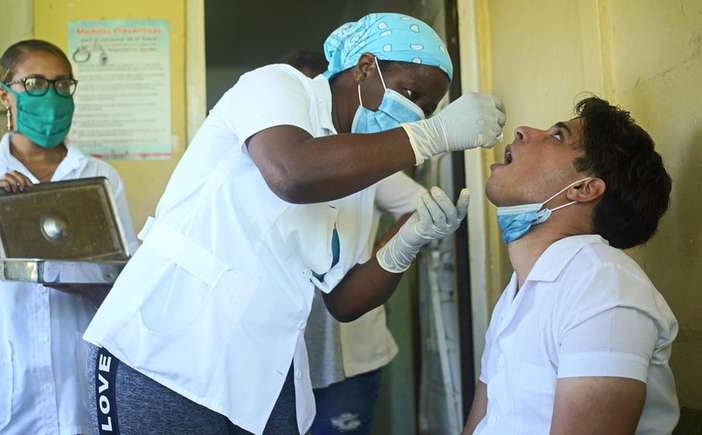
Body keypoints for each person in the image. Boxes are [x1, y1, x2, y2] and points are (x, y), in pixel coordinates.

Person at [83, 13, 505, 435]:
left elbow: (344, 300)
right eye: (410, 94)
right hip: (163, 356)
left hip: (259, 378)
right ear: (363, 67)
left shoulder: (359, 166)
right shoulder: (276, 85)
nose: (416, 114)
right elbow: (292, 173)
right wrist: (433, 135)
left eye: (428, 110)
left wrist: (404, 241)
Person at [0, 39, 137, 435]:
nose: (52, 96)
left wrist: (81, 279)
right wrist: (0, 222)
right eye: (36, 84)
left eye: (62, 85)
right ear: (4, 96)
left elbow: (124, 286)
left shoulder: (100, 179)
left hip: (76, 376)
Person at [462, 97, 678, 435]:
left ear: (583, 188)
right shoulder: (519, 291)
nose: (521, 131)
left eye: (557, 136)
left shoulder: (604, 287)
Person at [280, 48, 423, 435]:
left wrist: (386, 252)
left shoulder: (362, 159)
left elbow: (421, 209)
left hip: (348, 351)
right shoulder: (270, 155)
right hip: (278, 352)